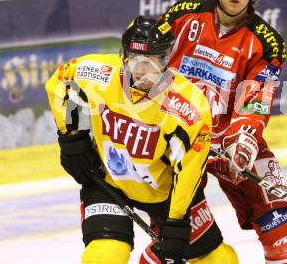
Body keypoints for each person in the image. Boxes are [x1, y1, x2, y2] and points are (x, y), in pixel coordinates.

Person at [151, 0, 287, 263]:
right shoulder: (183, 16)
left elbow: (256, 96)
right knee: (178, 236)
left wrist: (244, 140)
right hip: (180, 140)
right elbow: (145, 55)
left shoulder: (267, 41)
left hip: (230, 139)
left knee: (279, 226)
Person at [45, 17, 238, 264]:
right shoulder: (101, 73)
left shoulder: (189, 107)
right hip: (108, 183)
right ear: (124, 56)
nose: (141, 70)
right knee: (105, 255)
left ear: (166, 59)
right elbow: (61, 81)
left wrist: (177, 221)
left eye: (151, 62)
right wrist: (72, 137)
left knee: (219, 260)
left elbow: (188, 170)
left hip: (164, 194)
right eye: (135, 60)